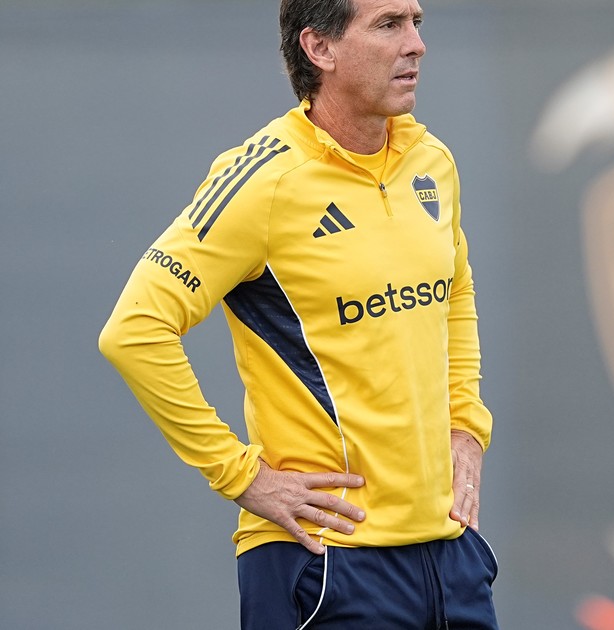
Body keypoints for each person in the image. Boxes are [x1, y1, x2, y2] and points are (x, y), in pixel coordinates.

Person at [98, 0, 498, 627]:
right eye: (388, 24)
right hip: (325, 560)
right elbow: (134, 330)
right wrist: (243, 477)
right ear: (320, 48)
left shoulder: (431, 160)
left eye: (417, 22)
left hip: (448, 555)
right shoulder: (265, 179)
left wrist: (467, 426)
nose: (416, 44)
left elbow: (456, 290)